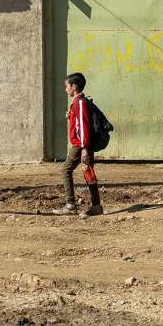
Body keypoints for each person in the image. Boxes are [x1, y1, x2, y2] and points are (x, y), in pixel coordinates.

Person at [54, 73, 102, 218]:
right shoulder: (78, 102)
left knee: (65, 170)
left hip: (80, 145)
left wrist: (84, 149)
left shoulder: (79, 103)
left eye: (66, 86)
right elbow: (79, 124)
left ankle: (70, 205)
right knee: (88, 171)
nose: (65, 89)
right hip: (84, 144)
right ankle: (96, 206)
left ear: (74, 87)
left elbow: (84, 127)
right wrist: (71, 117)